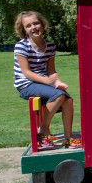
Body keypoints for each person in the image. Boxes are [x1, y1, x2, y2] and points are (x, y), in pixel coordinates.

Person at [13, 11, 79, 150]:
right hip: (26, 84)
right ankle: (43, 129)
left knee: (68, 100)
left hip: (43, 82)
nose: (33, 27)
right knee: (58, 95)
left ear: (43, 25)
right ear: (24, 30)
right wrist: (48, 81)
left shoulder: (50, 46)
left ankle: (68, 138)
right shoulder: (22, 46)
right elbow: (27, 72)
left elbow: (51, 70)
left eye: (36, 23)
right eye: (28, 25)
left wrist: (57, 82)